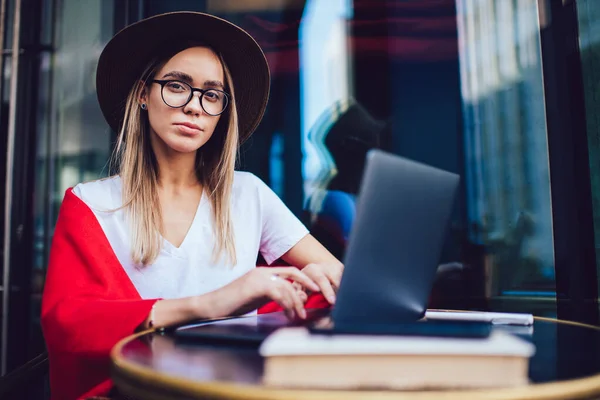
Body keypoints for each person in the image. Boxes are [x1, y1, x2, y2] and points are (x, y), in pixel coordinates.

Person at [40, 12, 343, 400]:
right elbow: (69, 325)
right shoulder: (91, 203)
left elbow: (337, 280)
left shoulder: (248, 193)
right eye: (177, 85)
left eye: (212, 94)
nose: (195, 106)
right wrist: (211, 303)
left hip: (240, 389)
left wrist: (321, 281)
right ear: (142, 95)